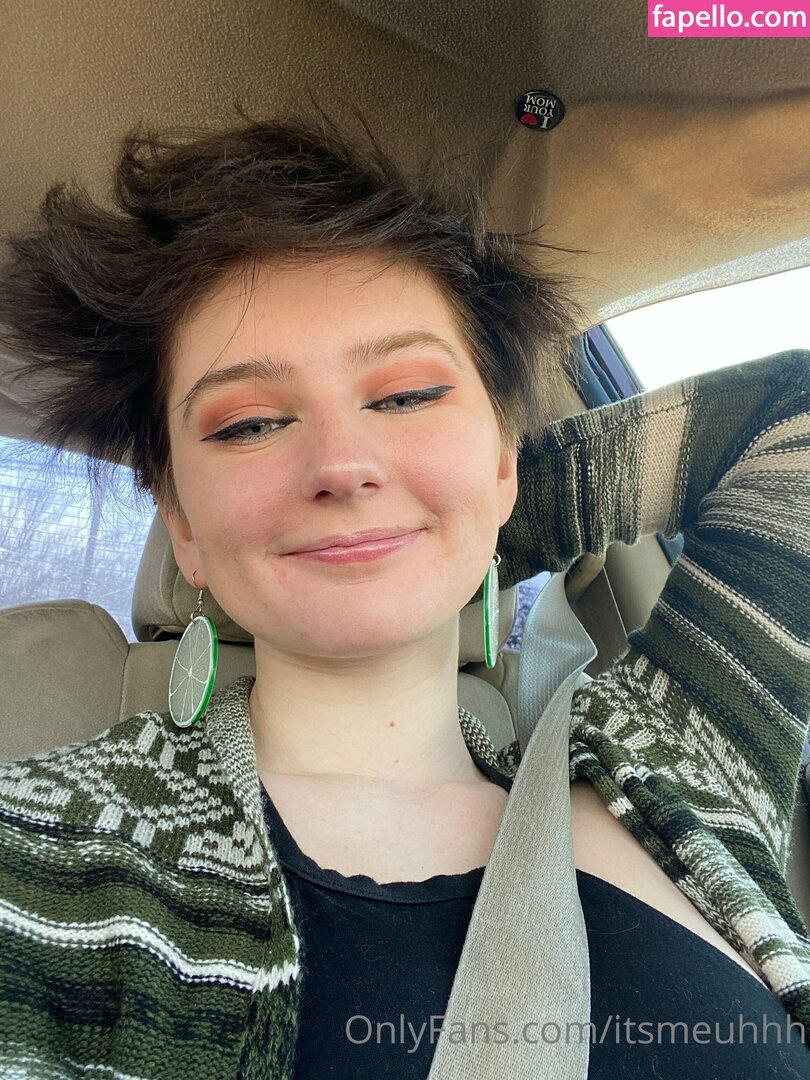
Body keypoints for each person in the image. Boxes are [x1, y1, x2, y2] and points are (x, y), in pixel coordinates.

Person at [0, 110, 809, 1080]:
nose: (342, 465)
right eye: (249, 424)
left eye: (408, 396)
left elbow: (790, 417)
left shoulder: (676, 763)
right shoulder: (45, 852)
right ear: (180, 523)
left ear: (505, 459)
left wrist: (466, 504)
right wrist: (435, 511)